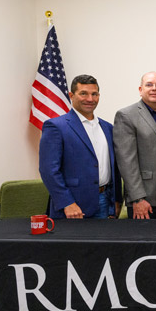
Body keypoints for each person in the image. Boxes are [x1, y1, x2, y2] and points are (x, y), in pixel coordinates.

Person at [39, 74, 121, 219]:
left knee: (103, 242)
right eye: (83, 93)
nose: (90, 99)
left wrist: (116, 199)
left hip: (105, 201)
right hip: (73, 206)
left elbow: (114, 168)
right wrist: (67, 203)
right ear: (71, 95)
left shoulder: (108, 128)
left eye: (94, 94)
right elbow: (49, 170)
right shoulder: (56, 126)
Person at [114, 72, 156, 219]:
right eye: (149, 85)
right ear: (140, 89)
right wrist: (138, 198)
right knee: (146, 241)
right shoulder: (126, 115)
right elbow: (126, 162)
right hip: (145, 198)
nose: (154, 88)